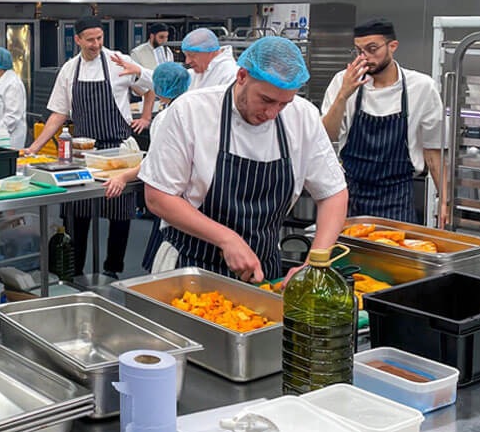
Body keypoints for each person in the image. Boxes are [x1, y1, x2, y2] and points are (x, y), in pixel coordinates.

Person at [141, 36, 348, 283]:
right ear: (241, 76)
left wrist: (316, 261)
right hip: (191, 266)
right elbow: (158, 197)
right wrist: (226, 238)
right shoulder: (191, 111)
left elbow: (333, 193)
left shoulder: (303, 116)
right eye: (266, 100)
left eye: (284, 103)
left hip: (263, 271)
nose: (272, 114)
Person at [24, 15, 155, 279]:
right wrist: (34, 147)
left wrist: (146, 117)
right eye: (90, 39)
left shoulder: (118, 61)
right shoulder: (70, 70)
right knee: (76, 215)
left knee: (120, 216)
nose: (96, 44)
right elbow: (59, 113)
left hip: (117, 152)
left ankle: (112, 269)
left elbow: (151, 88)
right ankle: (74, 271)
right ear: (77, 40)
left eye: (100, 38)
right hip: (83, 153)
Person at [322, 18, 443, 222]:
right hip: (350, 193)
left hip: (397, 196)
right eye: (359, 51)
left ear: (392, 46)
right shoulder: (343, 81)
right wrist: (343, 94)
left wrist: (444, 202)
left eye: (372, 49)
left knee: (394, 252)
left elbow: (433, 152)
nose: (365, 57)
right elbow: (326, 135)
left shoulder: (422, 87)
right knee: (347, 252)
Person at [97, 61, 192, 272]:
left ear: (159, 88)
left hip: (173, 195)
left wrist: (123, 177)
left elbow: (155, 161)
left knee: (170, 256)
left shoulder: (167, 117)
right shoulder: (192, 107)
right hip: (191, 195)